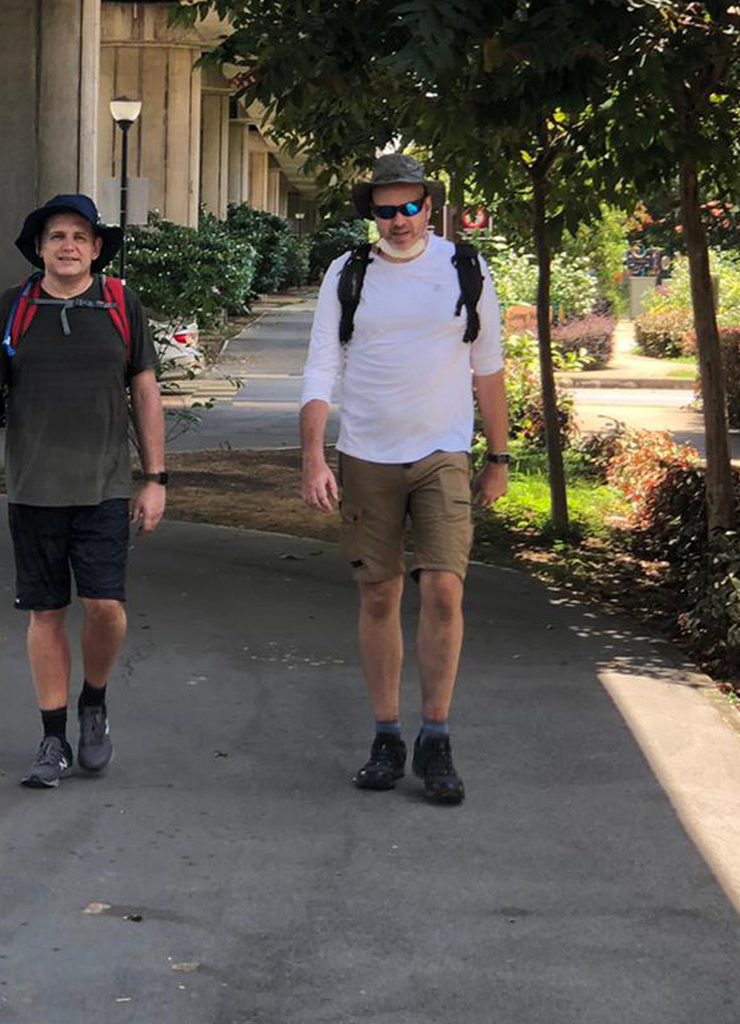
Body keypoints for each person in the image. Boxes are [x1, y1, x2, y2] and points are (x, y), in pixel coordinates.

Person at [298, 154, 508, 805]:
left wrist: (498, 459)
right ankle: (387, 734)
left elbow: (488, 366)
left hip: (443, 452)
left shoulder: (465, 267)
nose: (399, 220)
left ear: (429, 205)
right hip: (367, 454)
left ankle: (435, 735)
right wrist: (312, 456)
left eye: (410, 207)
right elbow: (321, 366)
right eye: (386, 210)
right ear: (372, 214)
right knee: (379, 596)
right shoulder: (348, 273)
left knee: (444, 588)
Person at [0, 194, 167, 789]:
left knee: (105, 608)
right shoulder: (13, 309)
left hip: (104, 486)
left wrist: (155, 479)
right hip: (33, 490)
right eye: (57, 236)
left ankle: (93, 700)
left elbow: (145, 391)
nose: (68, 245)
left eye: (80, 236)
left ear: (96, 248)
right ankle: (53, 739)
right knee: (45, 613)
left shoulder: (121, 303)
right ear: (40, 248)